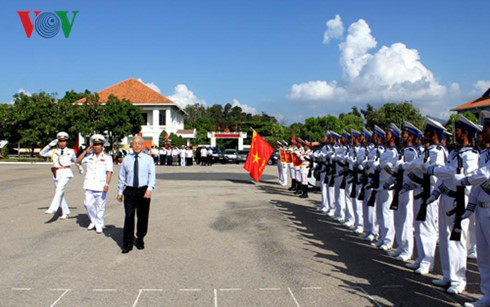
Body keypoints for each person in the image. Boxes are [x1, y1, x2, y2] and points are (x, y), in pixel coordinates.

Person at [117, 136, 156, 254]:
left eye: (139, 143)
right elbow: (122, 177)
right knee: (129, 217)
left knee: (142, 217)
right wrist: (119, 192)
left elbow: (152, 175)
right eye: (135, 144)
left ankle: (140, 238)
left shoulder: (148, 159)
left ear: (143, 145)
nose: (137, 146)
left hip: (143, 191)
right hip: (129, 191)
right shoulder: (126, 159)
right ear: (131, 145)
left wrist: (149, 189)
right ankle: (127, 244)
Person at [77, 134, 113, 234]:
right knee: (87, 204)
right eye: (95, 145)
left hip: (101, 185)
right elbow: (78, 161)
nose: (97, 147)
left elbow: (109, 171)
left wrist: (107, 184)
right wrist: (85, 151)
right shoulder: (88, 157)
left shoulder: (107, 158)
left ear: (102, 146)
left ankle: (99, 224)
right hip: (89, 184)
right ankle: (94, 221)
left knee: (100, 206)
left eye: (99, 145)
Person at [40, 132, 78, 219]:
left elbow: (75, 161)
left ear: (66, 142)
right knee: (60, 193)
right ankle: (66, 211)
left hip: (66, 172)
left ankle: (53, 208)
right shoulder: (53, 151)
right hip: (56, 173)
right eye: (60, 141)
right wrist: (49, 145)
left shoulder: (70, 151)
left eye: (64, 141)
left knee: (59, 189)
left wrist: (80, 168)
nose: (62, 143)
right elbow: (42, 153)